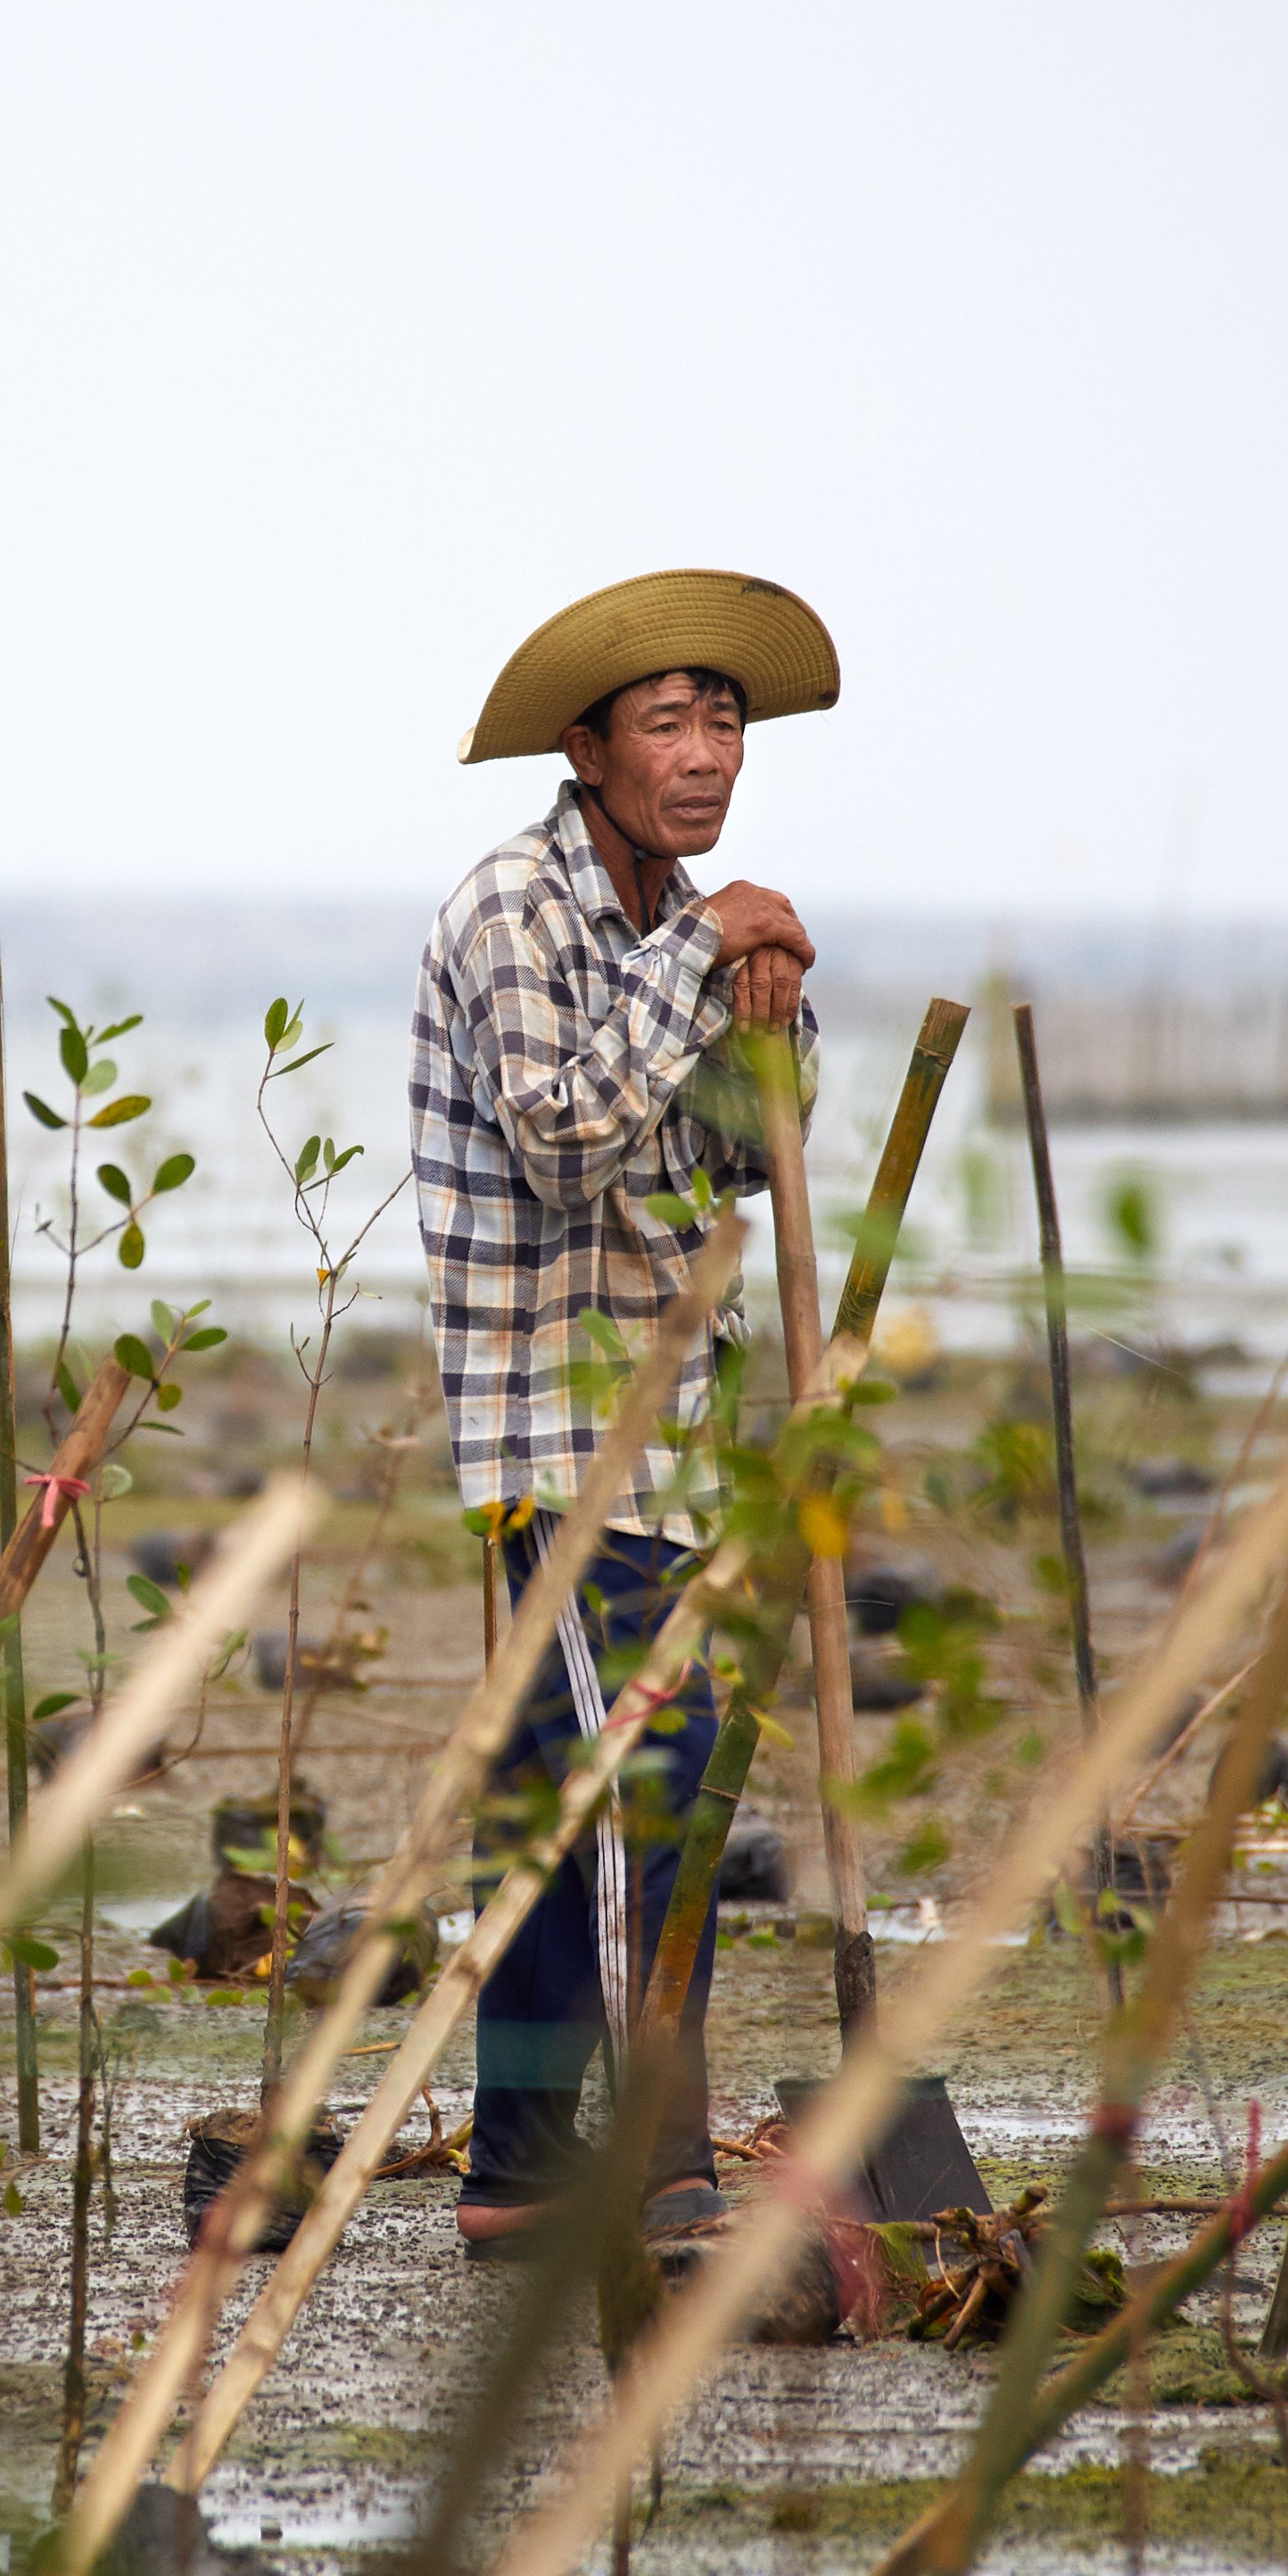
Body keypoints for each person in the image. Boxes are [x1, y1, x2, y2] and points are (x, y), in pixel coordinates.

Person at [407, 568, 830, 2255]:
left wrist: (775, 1016)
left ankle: (515, 2172)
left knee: (561, 1799)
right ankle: (666, 2176)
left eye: (724, 718)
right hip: (561, 1441)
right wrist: (700, 956)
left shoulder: (689, 918)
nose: (707, 749)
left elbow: (730, 1165)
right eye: (669, 719)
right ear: (588, 749)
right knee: (649, 1790)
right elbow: (565, 1140)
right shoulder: (517, 908)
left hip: (678, 1442)